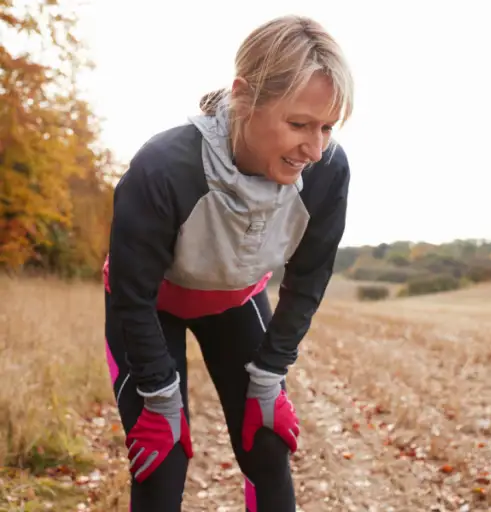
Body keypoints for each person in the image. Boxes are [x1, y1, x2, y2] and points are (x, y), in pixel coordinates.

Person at [103, 14, 354, 512]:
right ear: (243, 95)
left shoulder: (327, 169)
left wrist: (271, 374)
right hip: (149, 305)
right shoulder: (163, 168)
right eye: (299, 124)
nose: (315, 147)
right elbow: (133, 295)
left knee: (267, 446)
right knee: (162, 457)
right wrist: (158, 393)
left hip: (236, 300)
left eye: (327, 127)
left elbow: (307, 280)